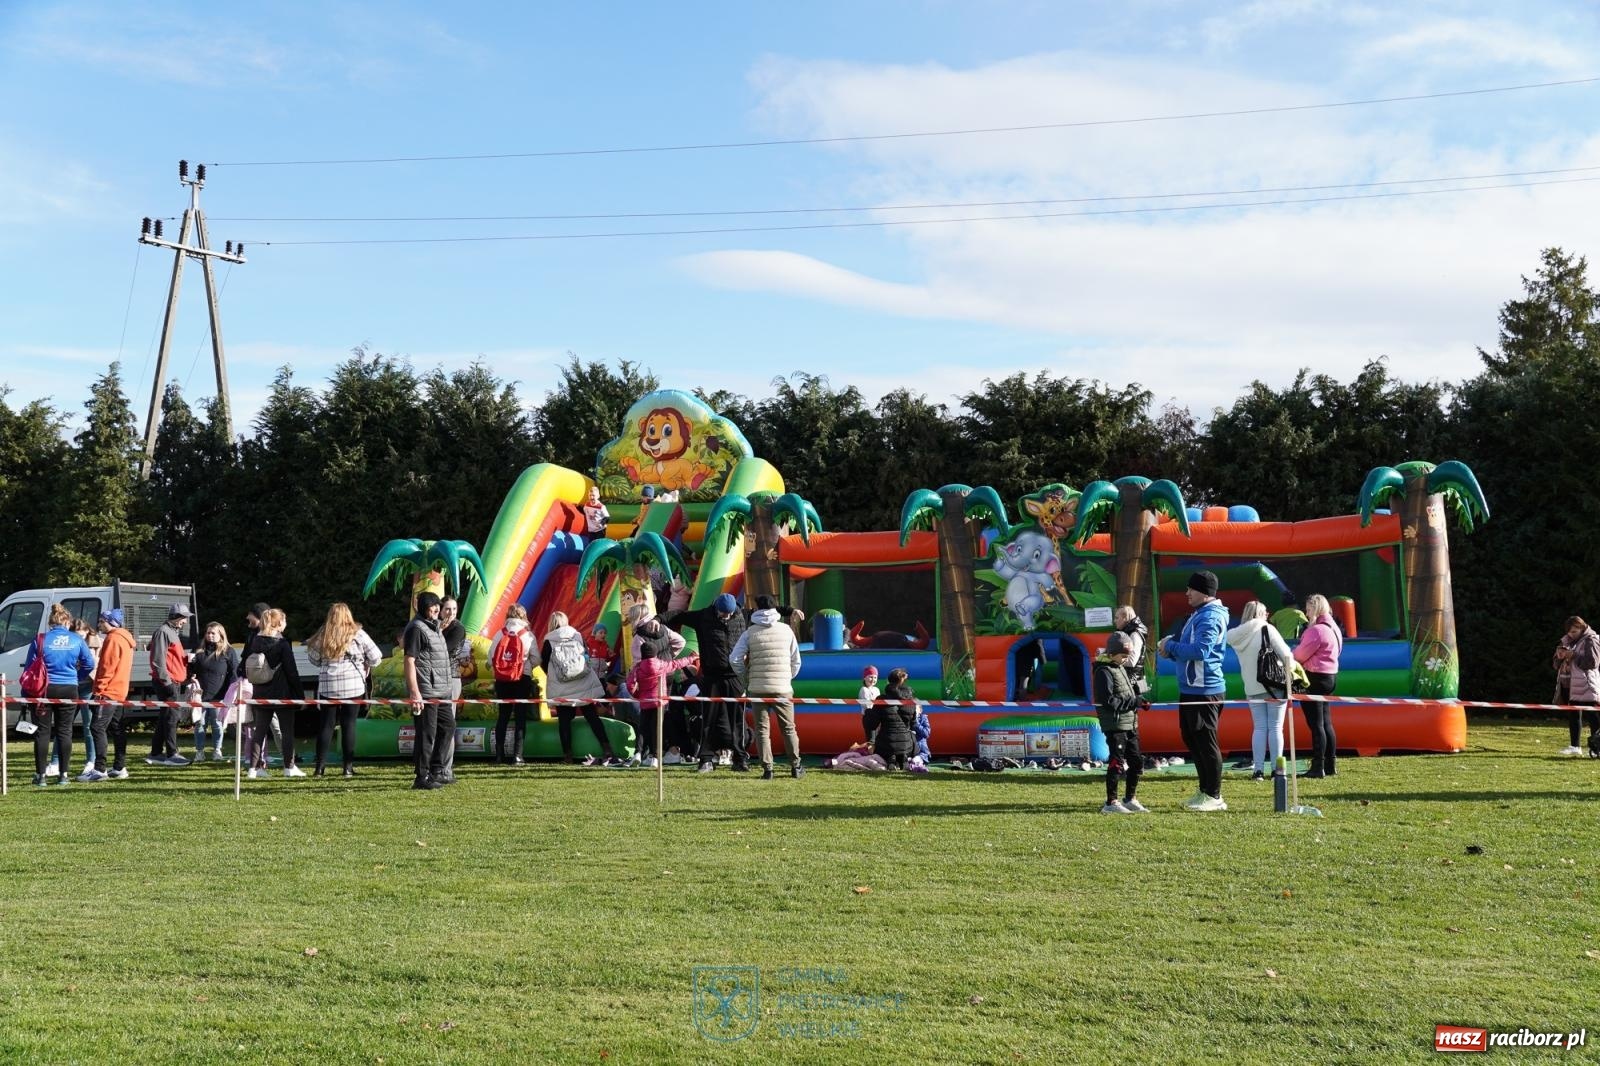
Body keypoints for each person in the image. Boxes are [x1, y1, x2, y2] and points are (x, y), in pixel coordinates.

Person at [661, 590, 804, 773]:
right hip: (712, 677)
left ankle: (740, 759)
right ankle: (705, 759)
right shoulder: (703, 616)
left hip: (734, 678)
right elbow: (679, 615)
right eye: (722, 613)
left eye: (728, 613)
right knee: (708, 720)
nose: (725, 616)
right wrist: (659, 619)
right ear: (716, 609)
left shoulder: (745, 615)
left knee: (738, 721)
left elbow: (768, 609)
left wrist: (789, 610)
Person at [1158, 571, 1229, 812]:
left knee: (1206, 741)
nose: (1186, 593)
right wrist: (1171, 653)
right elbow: (1190, 655)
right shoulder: (1199, 614)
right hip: (1191, 689)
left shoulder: (1211, 617)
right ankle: (1204, 790)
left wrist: (1170, 646)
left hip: (1205, 690)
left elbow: (1201, 651)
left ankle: (1215, 795)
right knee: (1192, 738)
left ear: (1204, 592)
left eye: (1191, 589)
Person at [729, 594, 804, 780]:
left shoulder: (750, 632)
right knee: (789, 728)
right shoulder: (787, 630)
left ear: (757, 609)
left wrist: (744, 675)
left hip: (757, 687)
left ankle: (768, 769)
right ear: (775, 608)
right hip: (782, 688)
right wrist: (787, 677)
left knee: (762, 730)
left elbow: (734, 658)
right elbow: (796, 661)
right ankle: (796, 766)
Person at [306, 603, 383, 778]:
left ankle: (319, 768)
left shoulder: (323, 634)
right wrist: (365, 664)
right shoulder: (358, 634)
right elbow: (376, 657)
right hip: (353, 685)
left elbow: (313, 659)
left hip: (328, 685)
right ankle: (347, 768)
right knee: (349, 725)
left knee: (326, 726)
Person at [23, 603, 95, 786]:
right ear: (67, 622)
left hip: (43, 689)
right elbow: (89, 664)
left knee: (42, 732)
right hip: (69, 688)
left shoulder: (40, 639)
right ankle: (63, 775)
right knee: (65, 732)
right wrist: (75, 678)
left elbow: (30, 667)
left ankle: (41, 777)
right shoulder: (76, 640)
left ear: (50, 623)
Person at [542, 610, 622, 766]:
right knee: (592, 716)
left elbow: (544, 663)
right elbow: (586, 655)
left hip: (561, 687)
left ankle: (568, 756)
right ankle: (607, 749)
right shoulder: (577, 636)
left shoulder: (549, 641)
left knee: (564, 721)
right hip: (582, 683)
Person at [1226, 601, 1295, 781]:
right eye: (1265, 612)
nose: (1267, 615)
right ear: (1260, 613)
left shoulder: (1235, 635)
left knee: (1259, 727)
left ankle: (1257, 770)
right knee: (1275, 727)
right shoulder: (1267, 629)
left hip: (1251, 686)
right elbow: (1286, 654)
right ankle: (1276, 770)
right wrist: (1293, 671)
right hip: (1273, 685)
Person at [245, 607, 304, 779]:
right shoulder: (282, 644)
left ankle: (254, 769)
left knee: (259, 731)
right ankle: (289, 767)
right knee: (286, 731)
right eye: (284, 620)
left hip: (260, 692)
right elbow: (291, 671)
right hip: (282, 692)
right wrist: (299, 694)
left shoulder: (254, 641)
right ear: (279, 624)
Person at [403, 592, 453, 789]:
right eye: (433, 606)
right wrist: (415, 692)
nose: (437, 609)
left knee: (448, 726)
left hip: (441, 690)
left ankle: (436, 770)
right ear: (424, 607)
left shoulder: (435, 627)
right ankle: (421, 777)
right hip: (426, 690)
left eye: (437, 606)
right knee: (426, 734)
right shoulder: (416, 629)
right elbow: (409, 660)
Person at [1094, 630, 1148, 813]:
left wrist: (1140, 699)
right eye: (1123, 655)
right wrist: (1134, 702)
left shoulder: (1120, 668)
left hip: (1130, 723)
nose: (1126, 659)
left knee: (1136, 762)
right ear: (1111, 654)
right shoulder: (1104, 672)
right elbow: (1109, 702)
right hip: (1115, 725)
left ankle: (1130, 798)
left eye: (1128, 655)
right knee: (1117, 763)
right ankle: (1111, 803)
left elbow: (1128, 694)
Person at [1293, 593, 1343, 778]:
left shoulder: (1316, 631)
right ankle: (1330, 764)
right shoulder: (1334, 628)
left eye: (1307, 609)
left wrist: (1289, 655)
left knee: (1316, 724)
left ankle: (1317, 766)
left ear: (1314, 609)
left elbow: (1299, 655)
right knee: (1326, 722)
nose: (1306, 614)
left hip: (1314, 678)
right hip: (1330, 677)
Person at [625, 616, 686, 768]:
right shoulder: (662, 665)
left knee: (642, 727)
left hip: (645, 702)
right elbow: (676, 663)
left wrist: (636, 694)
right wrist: (690, 659)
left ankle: (638, 753)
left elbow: (630, 683)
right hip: (660, 700)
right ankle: (654, 756)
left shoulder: (637, 667)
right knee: (657, 728)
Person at [85, 609, 137, 781]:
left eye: (101, 621)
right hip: (120, 691)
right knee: (117, 728)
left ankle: (100, 770)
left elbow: (107, 667)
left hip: (108, 692)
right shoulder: (125, 638)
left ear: (109, 622)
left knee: (97, 727)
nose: (98, 624)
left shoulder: (113, 638)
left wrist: (98, 690)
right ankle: (119, 767)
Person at [489, 604, 539, 764]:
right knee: (520, 717)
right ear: (523, 616)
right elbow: (537, 658)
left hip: (502, 680)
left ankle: (499, 755)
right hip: (522, 679)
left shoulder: (499, 633)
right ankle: (518, 755)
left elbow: (491, 658)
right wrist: (526, 665)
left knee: (503, 716)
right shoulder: (528, 635)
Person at [146, 604, 193, 767]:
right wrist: (167, 682)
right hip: (167, 682)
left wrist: (186, 661)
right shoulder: (163, 632)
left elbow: (171, 658)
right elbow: (158, 660)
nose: (185, 621)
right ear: (176, 616)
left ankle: (155, 753)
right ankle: (172, 754)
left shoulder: (171, 632)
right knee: (171, 718)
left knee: (165, 718)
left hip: (172, 680)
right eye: (184, 618)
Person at [188, 621, 240, 762]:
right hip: (201, 695)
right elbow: (191, 669)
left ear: (220, 635)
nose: (210, 635)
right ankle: (200, 752)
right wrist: (191, 675)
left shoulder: (228, 651)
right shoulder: (199, 650)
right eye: (208, 633)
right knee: (200, 724)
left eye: (213, 633)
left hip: (220, 695)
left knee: (217, 725)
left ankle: (217, 750)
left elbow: (235, 672)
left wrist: (233, 691)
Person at [435, 597, 472, 785]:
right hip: (434, 679)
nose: (451, 613)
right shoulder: (434, 626)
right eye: (447, 609)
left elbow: (444, 650)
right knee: (435, 724)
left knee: (447, 724)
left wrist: (438, 632)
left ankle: (445, 769)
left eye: (454, 609)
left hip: (451, 678)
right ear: (440, 610)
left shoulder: (457, 629)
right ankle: (435, 766)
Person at [1553, 616, 1600, 756]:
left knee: (1594, 717)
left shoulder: (1591, 640)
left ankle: (1597, 748)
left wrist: (1573, 656)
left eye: (1574, 631)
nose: (1570, 634)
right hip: (1571, 683)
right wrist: (1559, 656)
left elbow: (1592, 663)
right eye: (1569, 632)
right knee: (1573, 715)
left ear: (1582, 628)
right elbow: (1556, 664)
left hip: (1588, 684)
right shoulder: (1568, 641)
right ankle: (1575, 747)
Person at [864, 667, 916, 770]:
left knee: (884, 740)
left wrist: (868, 712)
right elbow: (913, 724)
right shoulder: (911, 701)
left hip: (886, 743)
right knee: (910, 737)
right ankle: (903, 757)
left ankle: (891, 758)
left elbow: (871, 724)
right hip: (907, 744)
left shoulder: (882, 700)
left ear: (889, 682)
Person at [1113, 605, 1149, 693]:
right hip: (1129, 680)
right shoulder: (1128, 632)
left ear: (1125, 618)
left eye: (1117, 618)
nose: (1115, 621)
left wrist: (1109, 658)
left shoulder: (1135, 634)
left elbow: (1132, 661)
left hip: (1132, 682)